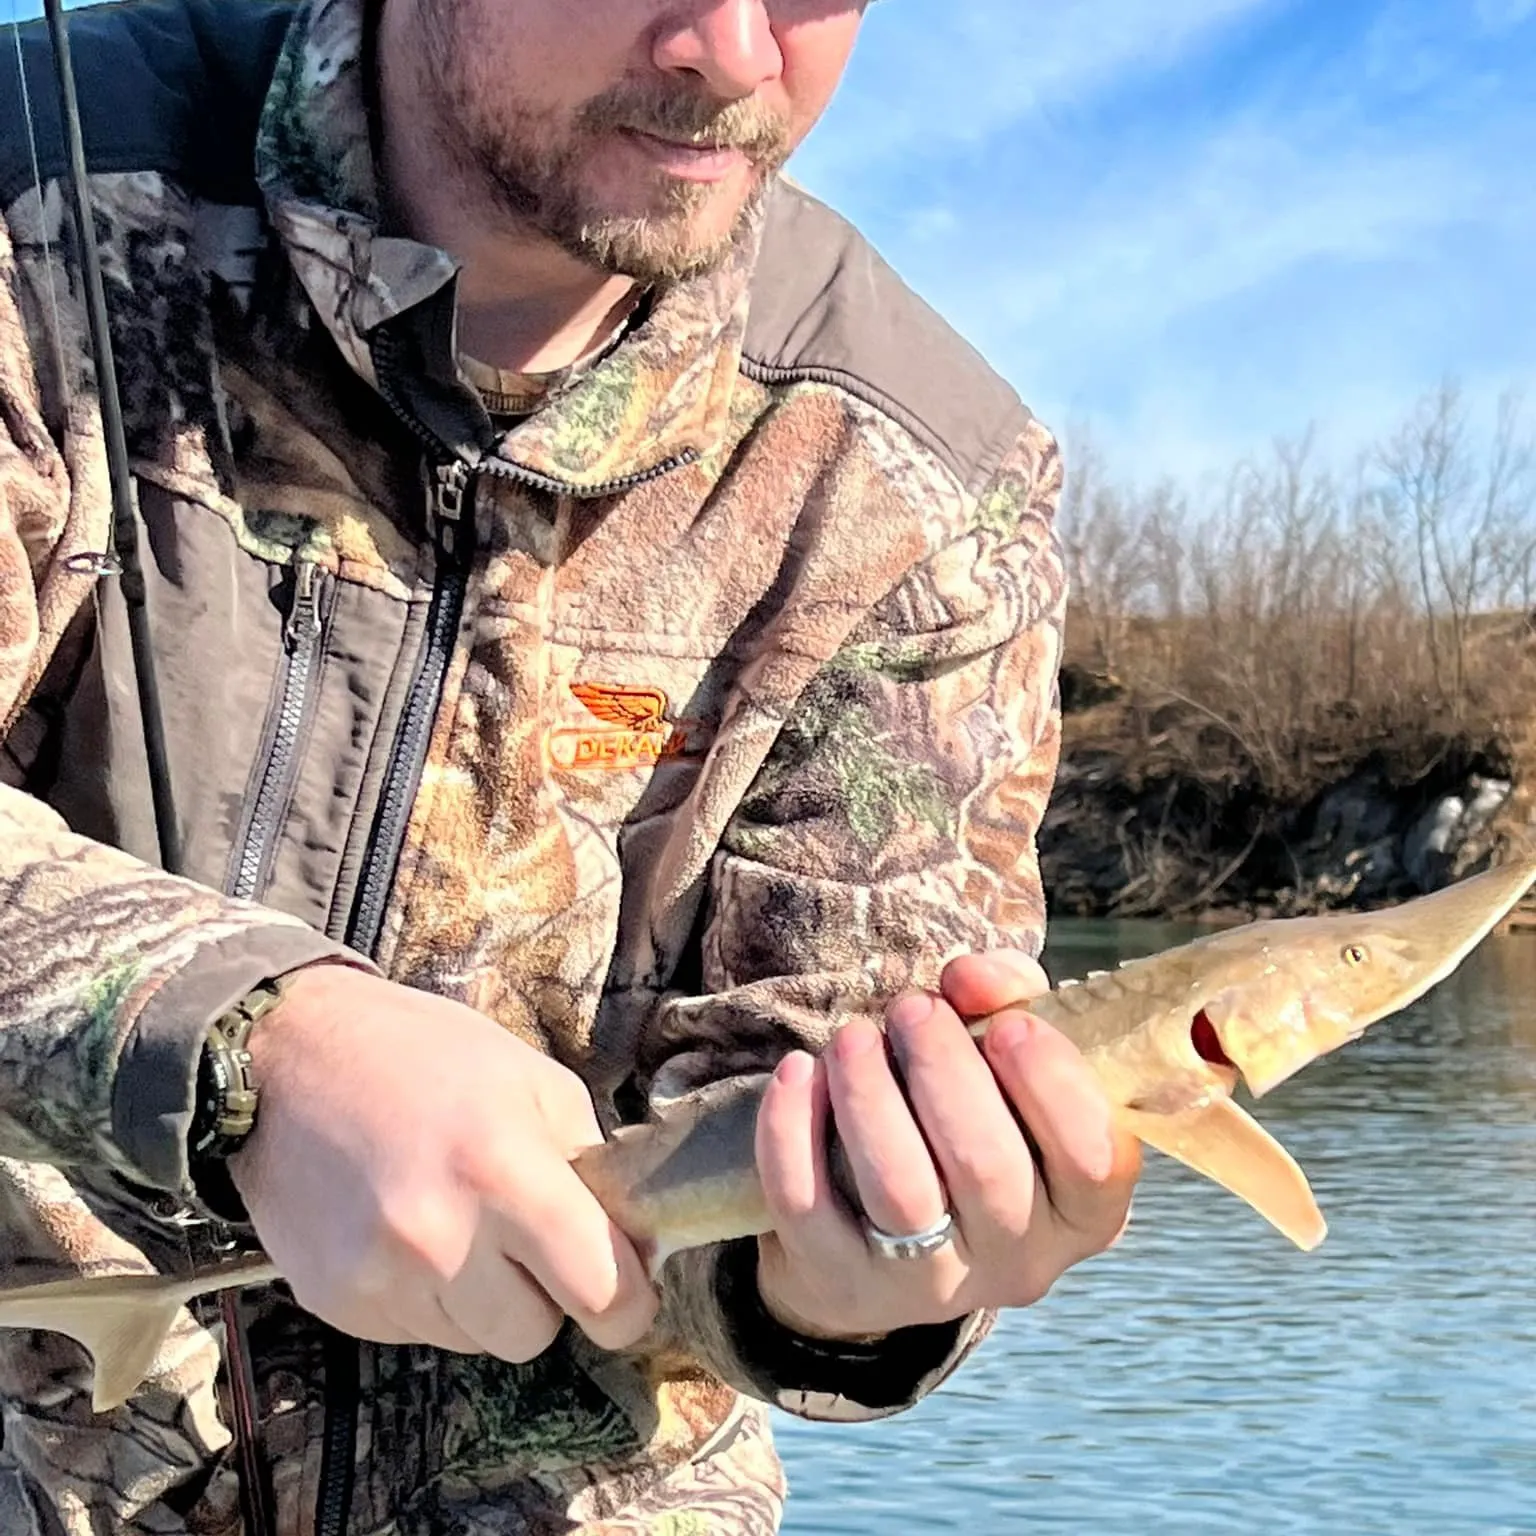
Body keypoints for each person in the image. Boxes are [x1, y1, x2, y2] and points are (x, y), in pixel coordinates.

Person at [0, 1, 1140, 1531]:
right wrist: (249, 1045)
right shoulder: (31, 188)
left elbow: (821, 1091)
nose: (734, 53)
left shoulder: (926, 478)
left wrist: (853, 1290)